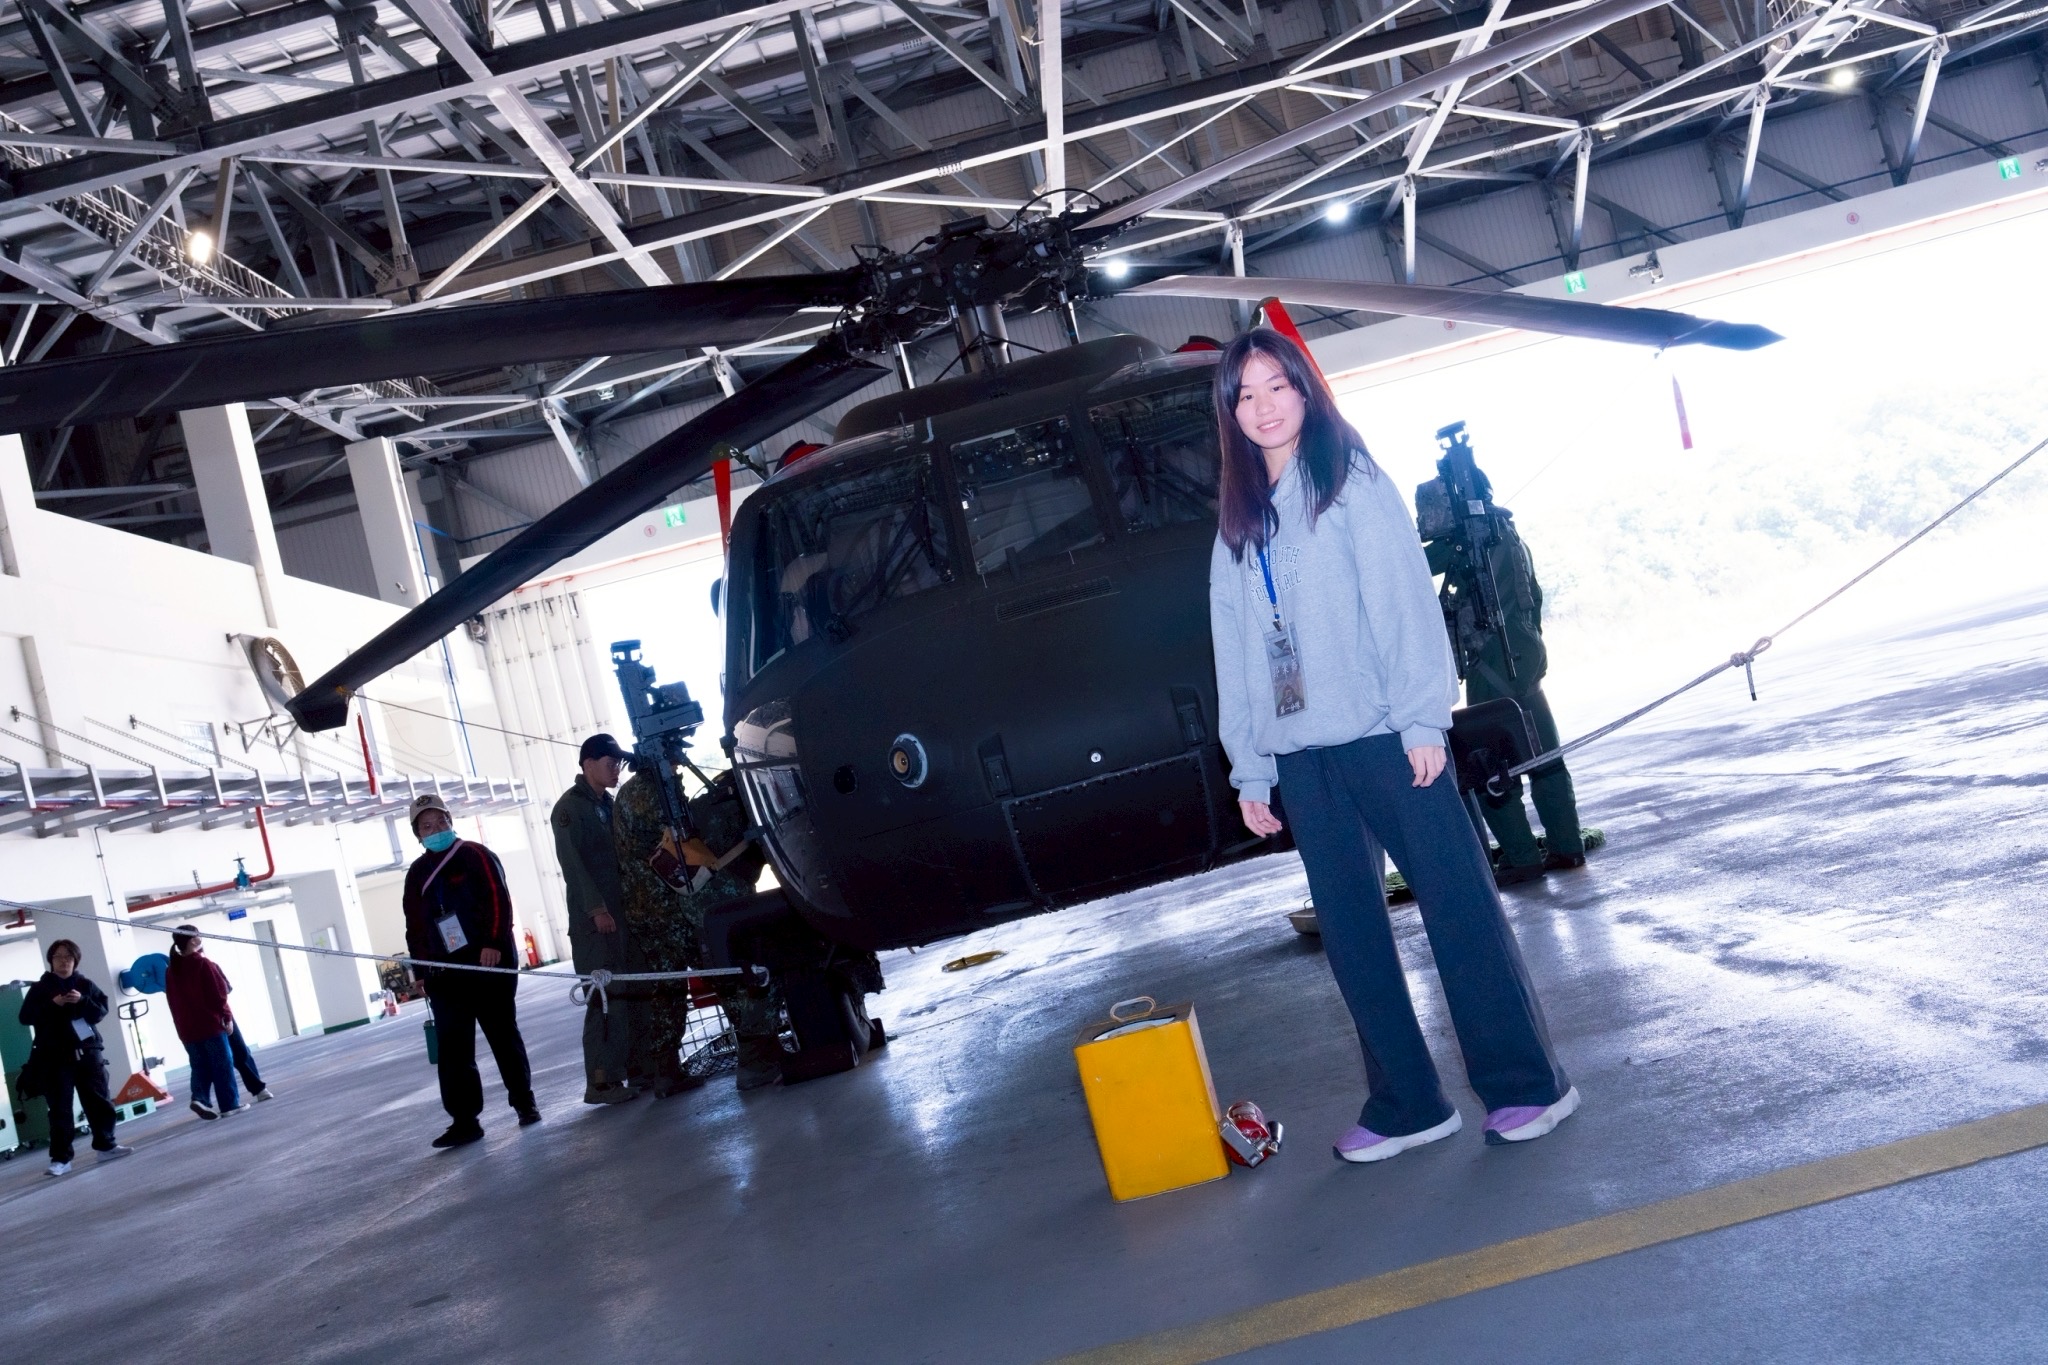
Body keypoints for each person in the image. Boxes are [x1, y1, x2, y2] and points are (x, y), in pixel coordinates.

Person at [1206, 327, 1579, 1164]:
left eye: (1277, 386)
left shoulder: (1350, 481)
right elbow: (1238, 652)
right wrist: (1251, 766)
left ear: (1306, 390)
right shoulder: (1238, 523)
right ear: (1230, 414)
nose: (1264, 407)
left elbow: (1403, 600)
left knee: (1457, 906)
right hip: (1303, 759)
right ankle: (1409, 1102)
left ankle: (1528, 1084)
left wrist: (1420, 718)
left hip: (1384, 735)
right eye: (1245, 395)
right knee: (1351, 934)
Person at [1417, 465, 1587, 885]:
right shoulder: (1509, 532)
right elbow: (1535, 597)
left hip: (1490, 668)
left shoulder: (1462, 544)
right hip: (1527, 659)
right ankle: (1567, 846)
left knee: (1489, 767)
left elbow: (1410, 566)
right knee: (1545, 758)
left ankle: (1522, 857)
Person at [613, 755, 779, 1093]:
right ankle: (756, 1054)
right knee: (725, 972)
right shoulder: (657, 790)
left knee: (668, 986)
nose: (678, 767)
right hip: (674, 905)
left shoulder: (628, 793)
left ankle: (665, 1070)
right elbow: (677, 843)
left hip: (645, 909)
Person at [402, 792, 540, 1148]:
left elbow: (499, 900)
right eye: (427, 826)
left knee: (502, 1034)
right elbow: (415, 925)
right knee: (453, 1049)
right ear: (418, 834)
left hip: (486, 963)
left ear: (451, 821)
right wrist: (421, 970)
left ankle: (524, 1103)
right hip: (445, 974)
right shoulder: (416, 873)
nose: (436, 829)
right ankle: (465, 1121)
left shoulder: (476, 855)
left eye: (441, 821)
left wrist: (493, 943)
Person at [551, 732, 640, 1104]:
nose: (616, 769)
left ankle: (635, 1069)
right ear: (589, 764)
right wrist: (597, 909)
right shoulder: (570, 809)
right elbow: (573, 865)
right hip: (595, 923)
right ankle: (601, 1082)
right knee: (604, 998)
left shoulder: (608, 803)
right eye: (610, 763)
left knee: (629, 992)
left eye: (618, 763)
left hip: (620, 916)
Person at [17, 939, 132, 1175]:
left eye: (68, 957)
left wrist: (83, 1000)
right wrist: (53, 1004)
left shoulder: (85, 985)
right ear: (51, 960)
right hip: (54, 1058)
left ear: (75, 960)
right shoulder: (39, 989)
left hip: (88, 1053)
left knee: (99, 1101)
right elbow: (25, 1017)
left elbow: (100, 1012)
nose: (64, 961)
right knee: (60, 1108)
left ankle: (106, 1145)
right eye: (58, 957)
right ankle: (61, 1159)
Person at [166, 926, 244, 1119]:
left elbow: (172, 1001)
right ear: (193, 940)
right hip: (210, 1025)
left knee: (200, 1065)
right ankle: (229, 1105)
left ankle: (200, 1098)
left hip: (186, 1029)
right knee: (222, 1064)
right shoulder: (202, 963)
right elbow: (218, 995)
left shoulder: (171, 970)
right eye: (198, 935)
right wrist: (226, 1017)